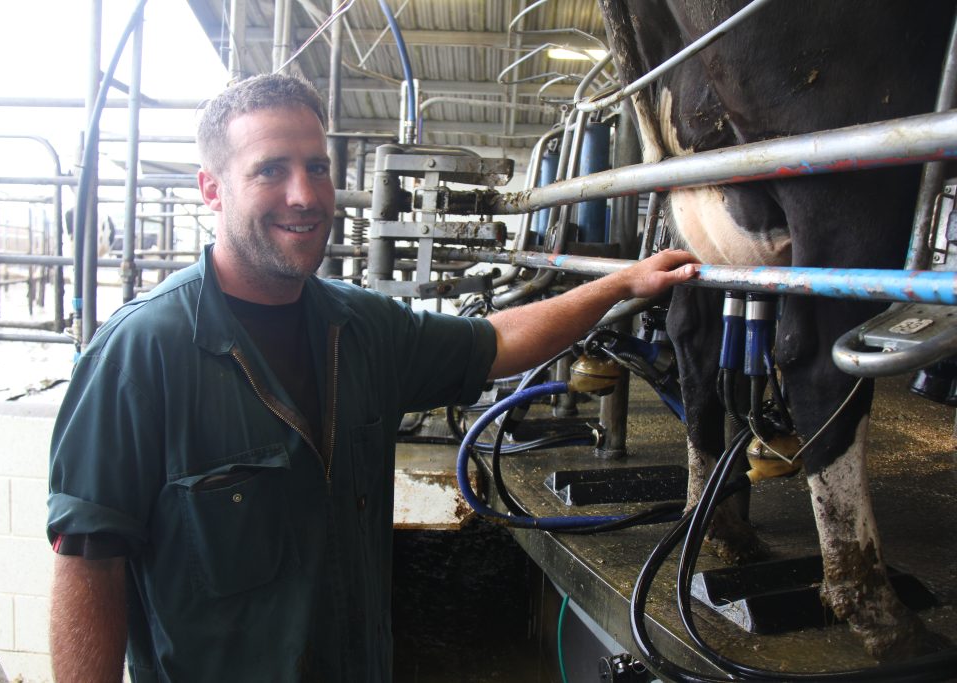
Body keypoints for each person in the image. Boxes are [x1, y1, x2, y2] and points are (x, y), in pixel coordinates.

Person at [47, 73, 698, 683]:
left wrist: (620, 284)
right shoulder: (140, 353)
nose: (304, 195)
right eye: (271, 170)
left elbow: (499, 340)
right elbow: (88, 565)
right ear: (212, 189)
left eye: (318, 168)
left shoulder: (360, 329)